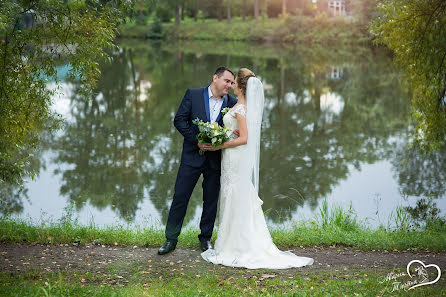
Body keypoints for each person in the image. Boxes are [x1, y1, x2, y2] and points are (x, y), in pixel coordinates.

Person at [200, 68, 314, 269]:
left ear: (241, 86)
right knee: (230, 195)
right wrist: (228, 135)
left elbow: (245, 139)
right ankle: (228, 242)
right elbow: (238, 134)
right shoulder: (239, 106)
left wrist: (221, 144)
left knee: (235, 194)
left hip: (234, 157)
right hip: (231, 158)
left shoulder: (242, 109)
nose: (231, 85)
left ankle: (238, 245)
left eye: (234, 81)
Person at [158, 67, 238, 255]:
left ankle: (205, 239)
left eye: (232, 83)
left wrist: (225, 139)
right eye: (227, 81)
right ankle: (170, 240)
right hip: (191, 157)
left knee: (210, 200)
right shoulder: (193, 95)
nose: (230, 85)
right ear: (215, 78)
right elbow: (179, 120)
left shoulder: (233, 103)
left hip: (216, 160)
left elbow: (235, 131)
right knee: (180, 198)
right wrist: (197, 141)